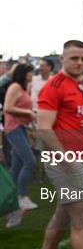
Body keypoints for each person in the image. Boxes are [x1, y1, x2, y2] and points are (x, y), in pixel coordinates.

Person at [33, 40, 83, 249]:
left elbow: (79, 119)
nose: (80, 62)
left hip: (78, 158)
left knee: (61, 217)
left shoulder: (81, 87)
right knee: (82, 220)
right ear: (62, 59)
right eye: (74, 58)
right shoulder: (54, 86)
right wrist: (65, 159)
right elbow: (43, 127)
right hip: (66, 162)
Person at [3, 63, 38, 228]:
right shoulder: (15, 87)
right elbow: (8, 108)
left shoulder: (24, 87)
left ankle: (11, 207)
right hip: (13, 129)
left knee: (15, 170)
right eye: (30, 72)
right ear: (24, 73)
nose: (32, 75)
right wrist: (29, 113)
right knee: (30, 163)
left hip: (21, 128)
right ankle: (21, 196)